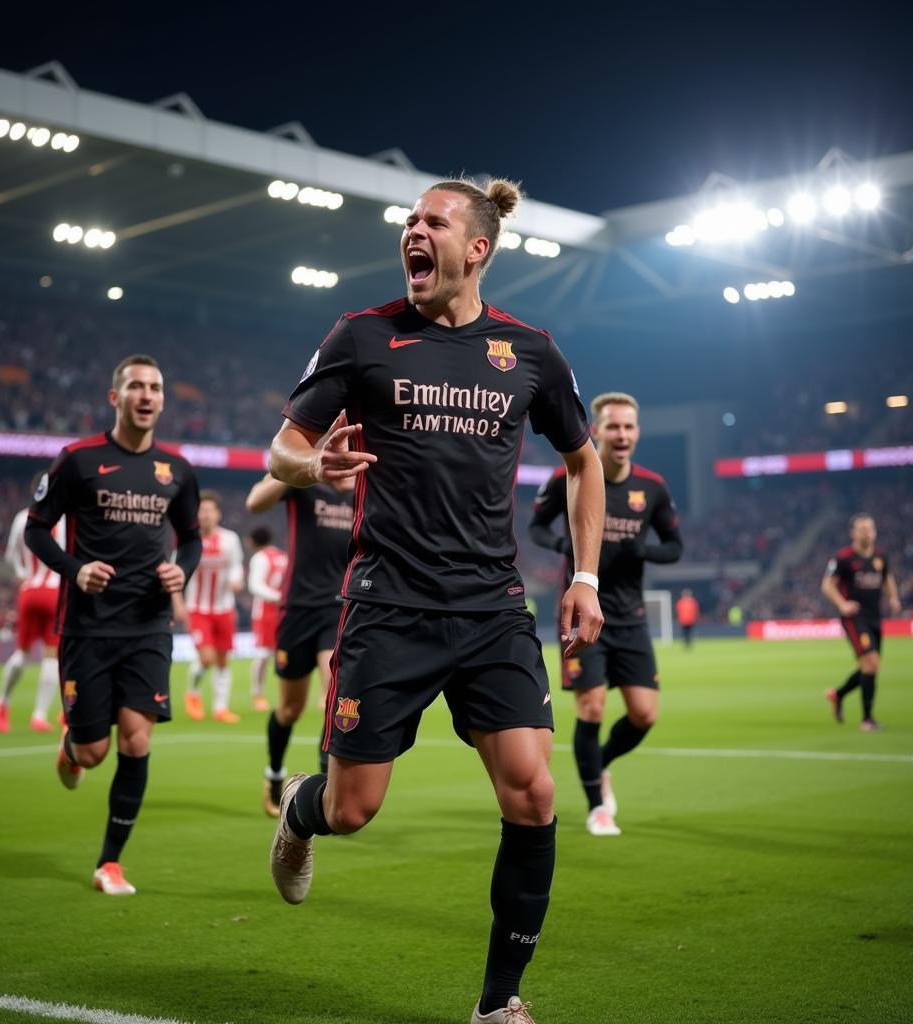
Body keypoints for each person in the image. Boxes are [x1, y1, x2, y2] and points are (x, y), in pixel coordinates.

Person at [266, 177, 604, 1024]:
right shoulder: (362, 335)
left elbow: (583, 462)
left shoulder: (530, 352)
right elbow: (282, 450)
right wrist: (316, 468)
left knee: (532, 794)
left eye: (432, 221)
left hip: (492, 608)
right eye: (408, 221)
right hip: (389, 604)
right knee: (355, 809)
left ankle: (500, 1003)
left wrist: (586, 576)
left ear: (477, 247)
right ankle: (301, 811)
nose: (412, 232)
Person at [25, 353, 201, 896]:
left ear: (162, 399)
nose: (147, 396)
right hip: (88, 627)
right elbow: (37, 531)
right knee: (94, 751)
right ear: (115, 397)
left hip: (149, 626)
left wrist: (182, 570)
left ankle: (110, 863)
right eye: (136, 387)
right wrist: (75, 571)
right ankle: (73, 743)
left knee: (136, 739)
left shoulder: (178, 470)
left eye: (156, 387)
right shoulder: (77, 460)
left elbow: (191, 538)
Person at [529, 392, 682, 837]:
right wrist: (564, 546)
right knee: (591, 708)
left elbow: (676, 547)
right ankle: (598, 807)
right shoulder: (568, 476)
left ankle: (601, 765)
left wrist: (646, 550)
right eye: (613, 426)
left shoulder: (652, 487)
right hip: (580, 613)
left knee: (644, 715)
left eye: (629, 426)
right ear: (595, 429)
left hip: (630, 615)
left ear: (637, 433)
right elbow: (537, 525)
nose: (622, 434)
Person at [245, 470, 353, 817]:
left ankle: (327, 790)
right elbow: (255, 502)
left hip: (339, 609)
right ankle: (274, 774)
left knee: (330, 698)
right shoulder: (307, 483)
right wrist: (306, 467)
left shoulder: (367, 490)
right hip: (298, 611)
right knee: (290, 709)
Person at [0, 476, 66, 733]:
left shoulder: (22, 517)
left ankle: (1, 702)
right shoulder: (65, 519)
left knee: (22, 652)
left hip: (28, 591)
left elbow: (10, 556)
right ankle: (39, 715)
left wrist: (23, 575)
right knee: (51, 655)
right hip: (55, 592)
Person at [821, 514, 901, 731]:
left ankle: (838, 695)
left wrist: (893, 598)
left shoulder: (880, 556)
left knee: (869, 668)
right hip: (854, 618)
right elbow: (827, 585)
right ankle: (867, 720)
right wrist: (842, 604)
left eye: (870, 528)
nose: (867, 531)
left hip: (875, 617)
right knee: (872, 663)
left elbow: (887, 578)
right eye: (862, 528)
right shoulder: (844, 558)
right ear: (853, 533)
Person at [172, 490, 244, 724]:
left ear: (218, 514)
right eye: (201, 511)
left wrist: (236, 579)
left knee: (223, 659)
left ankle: (220, 708)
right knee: (206, 658)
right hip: (198, 609)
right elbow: (176, 573)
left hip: (224, 608)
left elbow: (236, 566)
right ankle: (192, 693)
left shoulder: (229, 539)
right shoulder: (188, 540)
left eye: (209, 510)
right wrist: (178, 602)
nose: (205, 515)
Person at [245, 526, 288, 714]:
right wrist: (282, 597)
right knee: (276, 655)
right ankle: (267, 695)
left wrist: (277, 597)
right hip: (281, 610)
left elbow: (255, 586)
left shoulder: (259, 558)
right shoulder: (283, 556)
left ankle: (258, 695)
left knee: (265, 655)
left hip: (266, 612)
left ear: (253, 541)